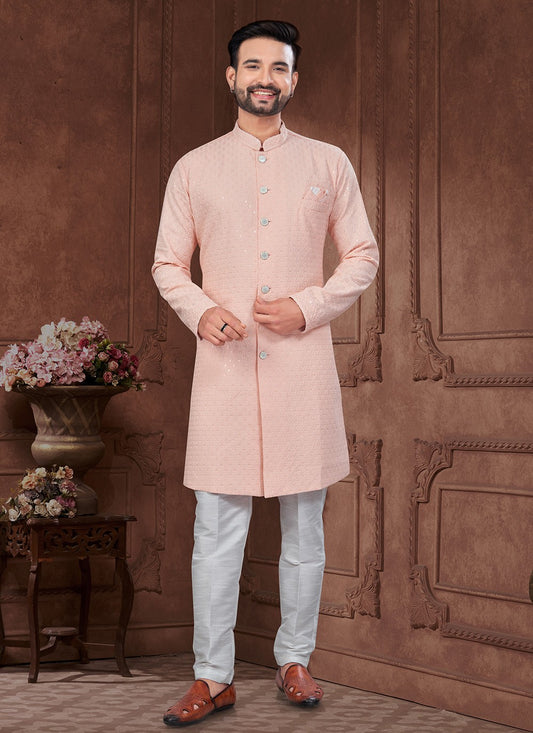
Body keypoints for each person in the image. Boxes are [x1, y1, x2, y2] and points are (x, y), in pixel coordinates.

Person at [152, 19, 378, 727]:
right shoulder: (193, 167)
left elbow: (363, 255)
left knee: (305, 526)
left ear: (293, 80)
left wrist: (308, 307)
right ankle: (212, 676)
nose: (264, 78)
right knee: (216, 529)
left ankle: (294, 660)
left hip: (301, 371)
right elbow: (167, 264)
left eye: (277, 68)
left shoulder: (328, 163)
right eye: (252, 66)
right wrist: (201, 311)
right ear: (231, 76)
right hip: (223, 370)